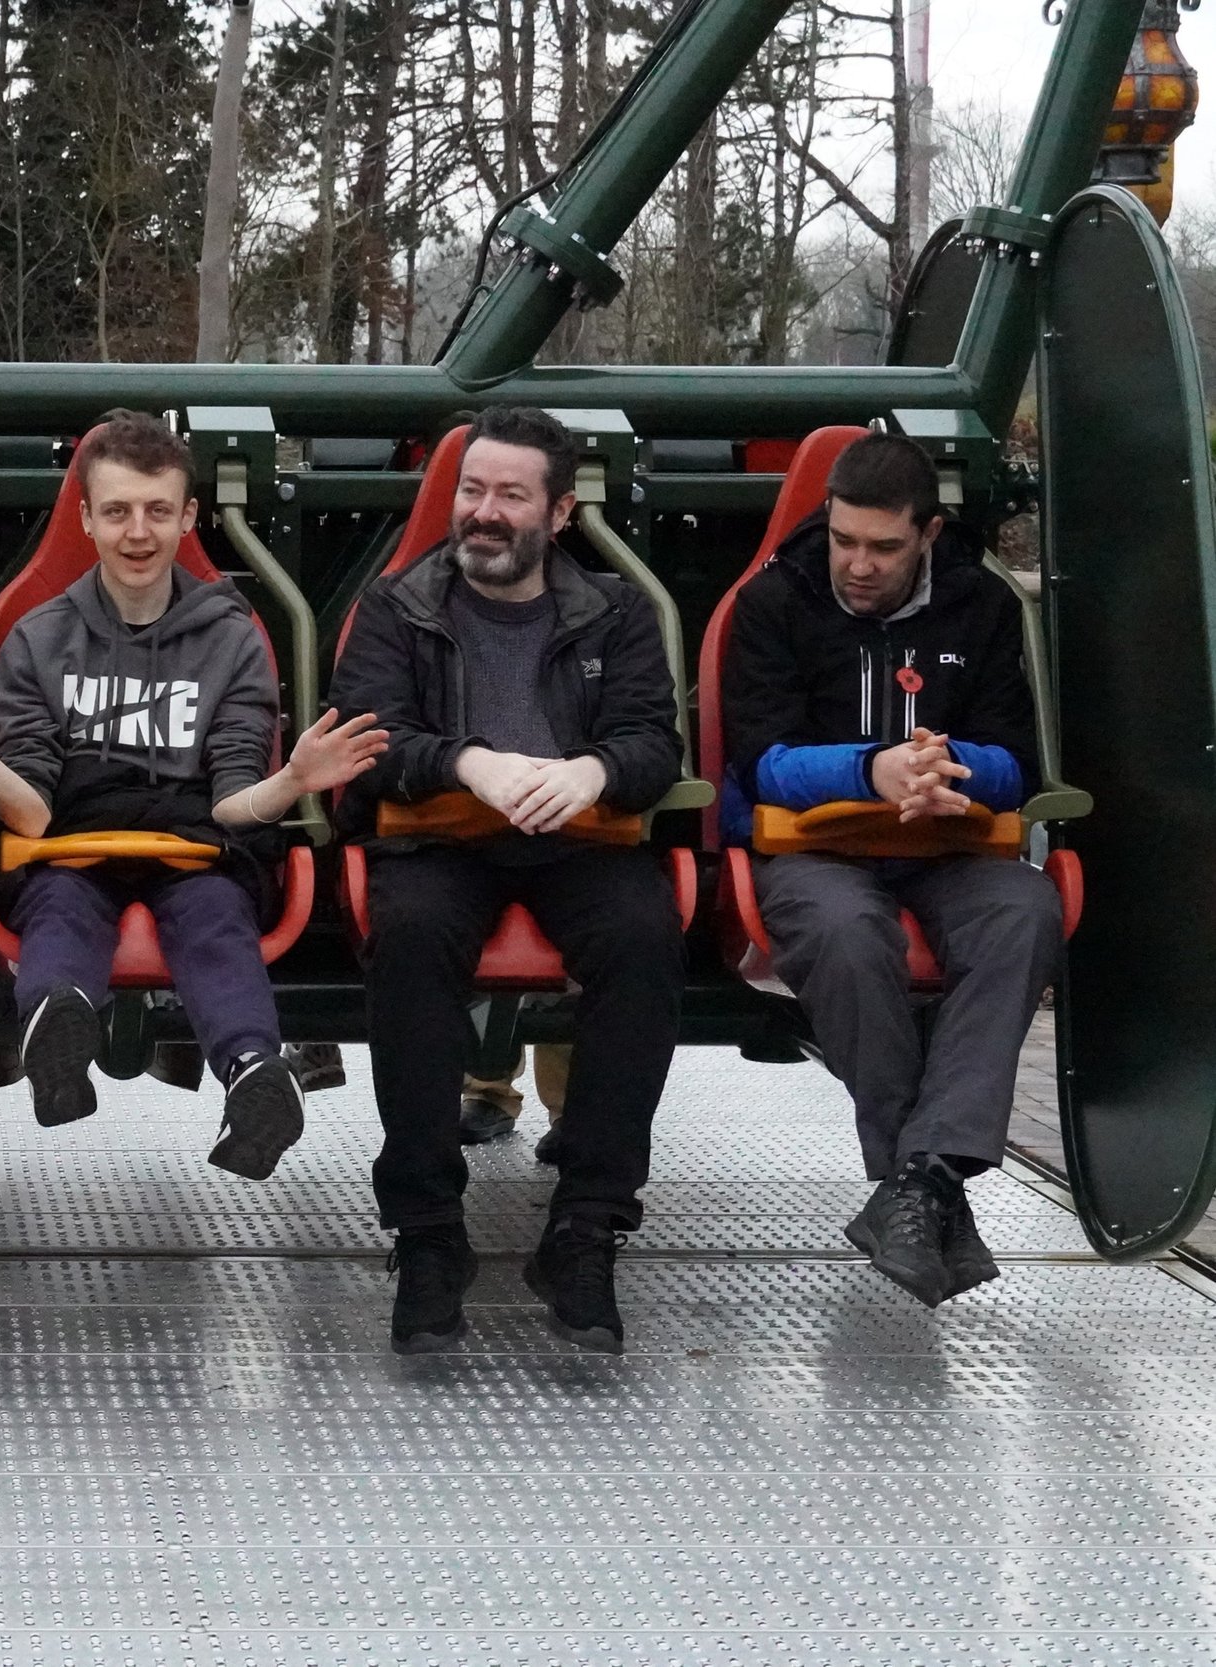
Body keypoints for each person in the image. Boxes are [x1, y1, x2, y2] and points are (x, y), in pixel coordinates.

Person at [0, 408, 387, 1179]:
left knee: (216, 917)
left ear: (189, 516)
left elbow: (231, 805)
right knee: (58, 902)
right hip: (72, 838)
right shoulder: (40, 637)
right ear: (85, 517)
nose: (137, 532)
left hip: (197, 845)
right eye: (116, 511)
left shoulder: (231, 636)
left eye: (157, 511)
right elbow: (32, 812)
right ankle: (58, 1033)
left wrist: (293, 780)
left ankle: (253, 1072)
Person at [331, 403, 687, 1355]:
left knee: (646, 938)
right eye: (472, 491)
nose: (484, 513)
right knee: (408, 936)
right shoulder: (399, 606)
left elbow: (656, 741)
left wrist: (590, 772)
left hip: (577, 838)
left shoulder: (617, 611)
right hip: (440, 835)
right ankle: (427, 1228)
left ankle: (587, 1221)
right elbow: (364, 741)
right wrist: (465, 761)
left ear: (560, 513)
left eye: (510, 496)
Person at [723, 431, 1061, 1308]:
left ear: (929, 534)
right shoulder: (775, 602)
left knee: (1025, 909)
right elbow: (762, 759)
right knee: (843, 929)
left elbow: (1016, 760)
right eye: (843, 541)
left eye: (882, 547)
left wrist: (958, 772)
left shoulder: (981, 607)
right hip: (817, 848)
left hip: (946, 842)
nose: (858, 565)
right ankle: (929, 1177)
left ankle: (917, 1185)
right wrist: (873, 768)